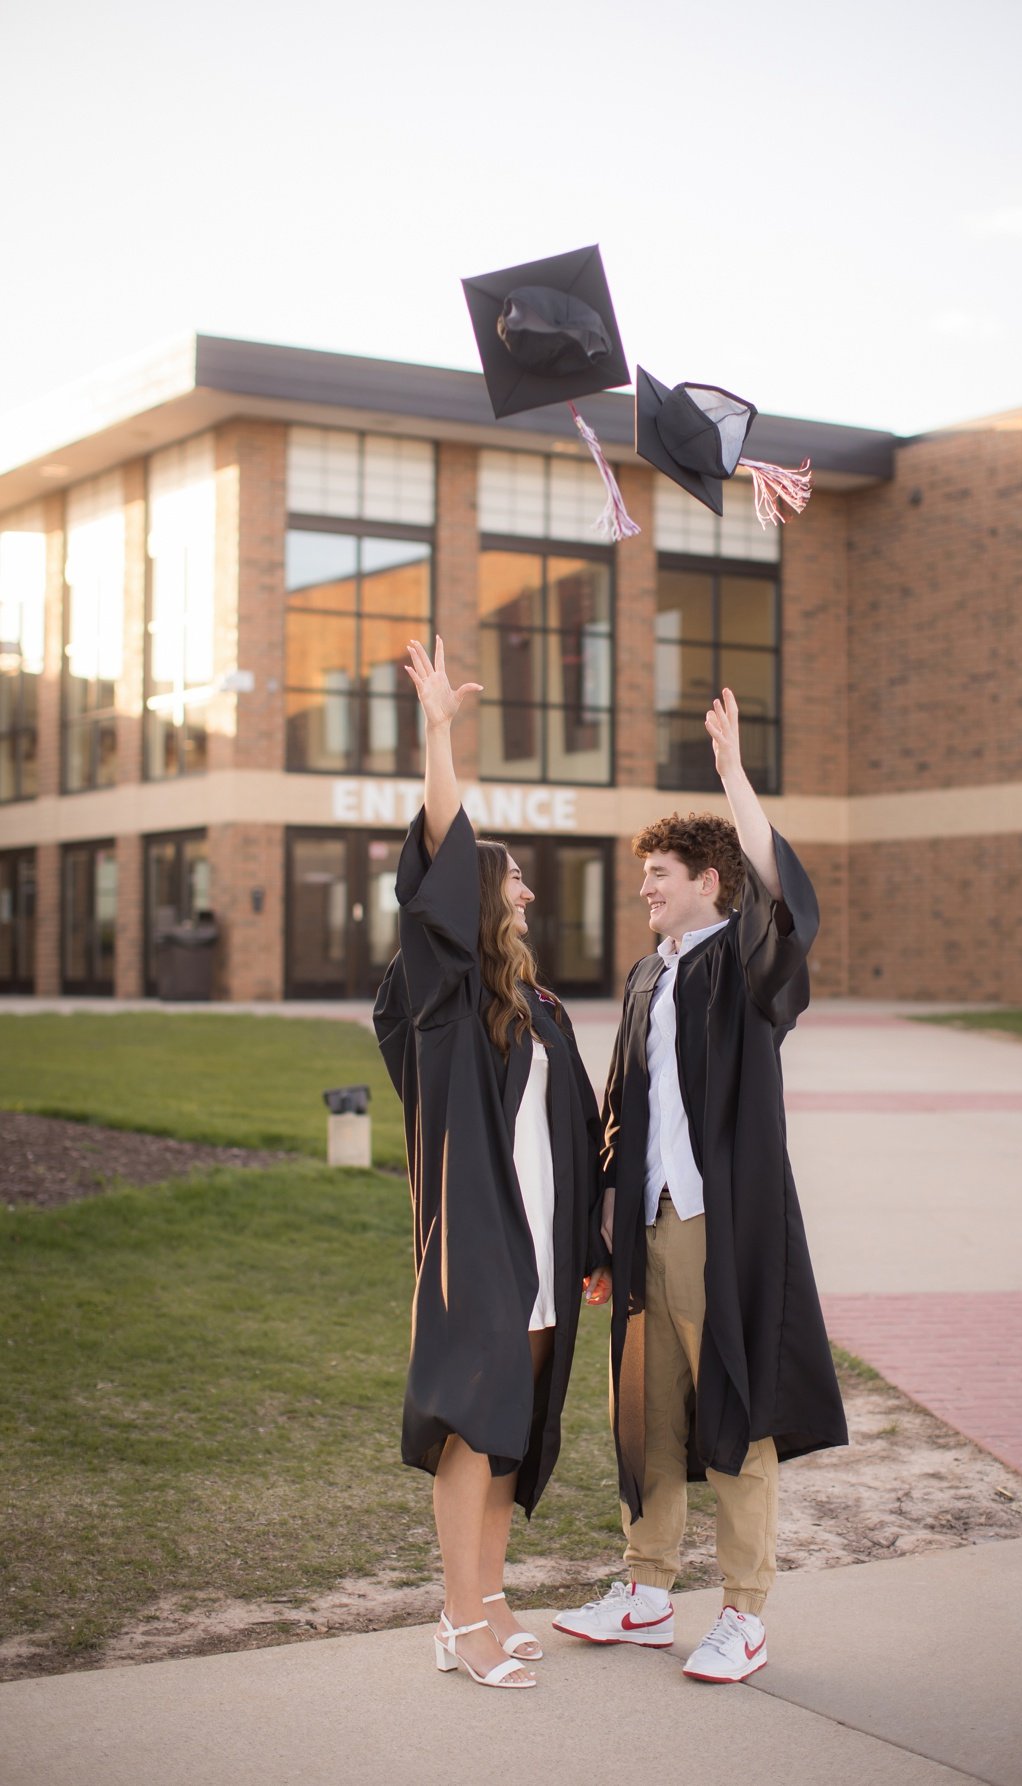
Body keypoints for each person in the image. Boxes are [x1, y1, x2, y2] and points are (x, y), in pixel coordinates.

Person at [551, 687, 846, 1685]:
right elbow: (617, 1110)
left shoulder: (746, 968)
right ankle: (643, 1592)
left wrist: (732, 778)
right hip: (647, 1228)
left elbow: (787, 904)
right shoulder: (646, 977)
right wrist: (601, 1233)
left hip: (723, 1230)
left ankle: (745, 1614)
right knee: (648, 1415)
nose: (645, 890)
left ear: (709, 882)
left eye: (660, 876)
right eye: (642, 878)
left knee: (736, 1413)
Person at [374, 636, 605, 1691]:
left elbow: (578, 1130)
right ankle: (457, 1617)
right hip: (479, 1241)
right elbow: (437, 849)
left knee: (514, 1425)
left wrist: (596, 1236)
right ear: (473, 898)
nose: (524, 890)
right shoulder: (447, 1005)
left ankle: (498, 1593)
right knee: (475, 1421)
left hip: (547, 1244)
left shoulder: (544, 1010)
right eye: (508, 877)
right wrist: (439, 734)